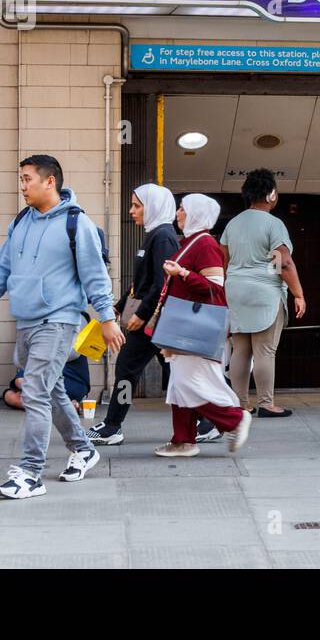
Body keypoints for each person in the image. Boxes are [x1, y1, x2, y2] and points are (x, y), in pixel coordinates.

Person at [0, 155, 122, 500]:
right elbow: (2, 269)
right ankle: (83, 449)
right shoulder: (21, 221)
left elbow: (96, 277)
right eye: (20, 179)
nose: (22, 186)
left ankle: (30, 473)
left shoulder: (77, 224)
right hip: (26, 321)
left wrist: (107, 319)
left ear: (49, 181)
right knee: (50, 391)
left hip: (59, 319)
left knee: (34, 391)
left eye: (27, 179)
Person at [153, 194, 251, 456]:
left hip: (196, 328)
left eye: (183, 209)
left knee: (187, 384)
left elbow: (215, 289)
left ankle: (233, 419)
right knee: (180, 384)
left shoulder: (205, 244)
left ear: (196, 213)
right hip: (187, 328)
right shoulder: (193, 242)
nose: (178, 213)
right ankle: (183, 440)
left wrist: (182, 273)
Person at [87, 183, 181, 445]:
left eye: (137, 205)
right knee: (176, 372)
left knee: (127, 366)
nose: (131, 211)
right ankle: (208, 420)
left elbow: (162, 281)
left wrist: (142, 312)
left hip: (152, 320)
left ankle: (113, 425)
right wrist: (118, 306)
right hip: (153, 319)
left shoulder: (162, 236)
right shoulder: (155, 233)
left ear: (153, 207)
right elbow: (142, 281)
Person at [221, 168, 306, 418]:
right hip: (264, 293)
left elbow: (223, 260)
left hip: (235, 291)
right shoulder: (274, 224)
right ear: (271, 195)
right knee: (265, 351)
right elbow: (283, 261)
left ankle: (239, 404)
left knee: (241, 351)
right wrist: (298, 293)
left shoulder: (232, 224)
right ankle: (267, 404)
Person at [4, 353, 90, 412]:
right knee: (9, 395)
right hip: (44, 383)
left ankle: (57, 406)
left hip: (71, 382)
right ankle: (63, 407)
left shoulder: (71, 335)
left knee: (22, 385)